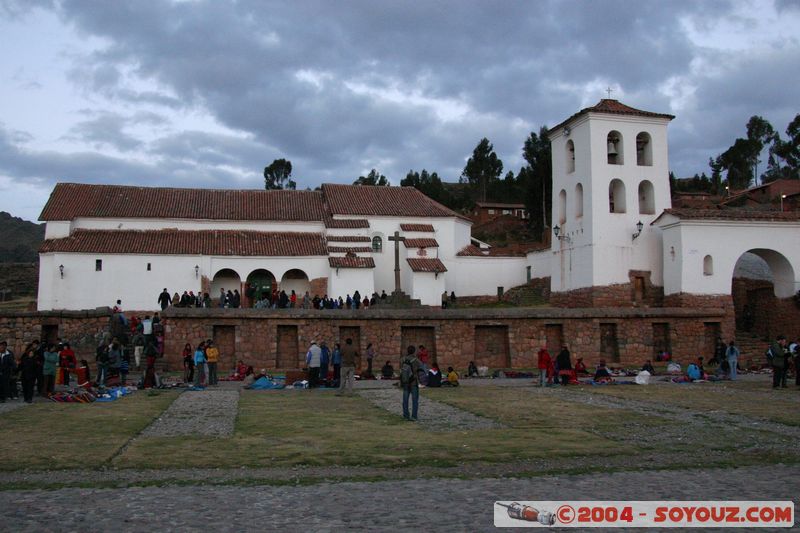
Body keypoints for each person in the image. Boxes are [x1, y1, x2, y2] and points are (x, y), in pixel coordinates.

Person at [399, 345, 421, 421]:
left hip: (405, 382)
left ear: (407, 351)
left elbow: (401, 370)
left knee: (405, 400)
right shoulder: (416, 360)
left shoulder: (402, 359)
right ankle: (414, 416)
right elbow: (420, 370)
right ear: (414, 351)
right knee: (415, 400)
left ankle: (406, 415)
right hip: (413, 382)